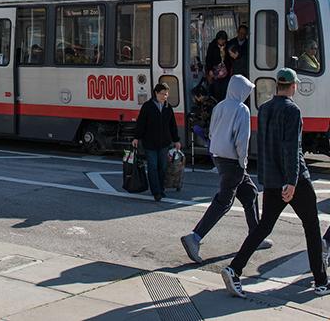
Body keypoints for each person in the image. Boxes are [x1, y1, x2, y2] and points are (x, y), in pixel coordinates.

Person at [221, 68, 329, 298]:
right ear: (293, 86)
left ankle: (234, 268)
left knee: (263, 227)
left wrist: (269, 178)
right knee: (312, 226)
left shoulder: (265, 108)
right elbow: (291, 148)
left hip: (271, 179)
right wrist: (291, 181)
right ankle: (321, 282)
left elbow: (264, 145)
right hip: (294, 180)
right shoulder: (293, 110)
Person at [181, 75, 272, 263]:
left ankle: (255, 236)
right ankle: (195, 237)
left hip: (218, 157)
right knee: (224, 201)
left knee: (250, 193)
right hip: (233, 160)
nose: (248, 94)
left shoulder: (220, 106)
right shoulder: (242, 109)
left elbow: (212, 132)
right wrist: (243, 161)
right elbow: (242, 140)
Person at [132, 82, 181, 202]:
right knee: (153, 167)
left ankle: (161, 188)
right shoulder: (147, 106)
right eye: (163, 94)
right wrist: (136, 137)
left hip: (164, 143)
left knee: (163, 167)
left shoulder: (168, 107)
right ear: (156, 93)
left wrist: (176, 140)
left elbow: (172, 125)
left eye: (166, 94)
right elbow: (141, 123)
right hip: (150, 143)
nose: (165, 97)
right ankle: (156, 192)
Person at [205, 30, 231, 101]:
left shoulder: (228, 46)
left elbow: (230, 60)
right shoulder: (212, 46)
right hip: (215, 72)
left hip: (226, 73)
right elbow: (208, 58)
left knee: (225, 89)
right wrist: (209, 70)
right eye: (220, 40)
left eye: (223, 40)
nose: (221, 42)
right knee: (216, 90)